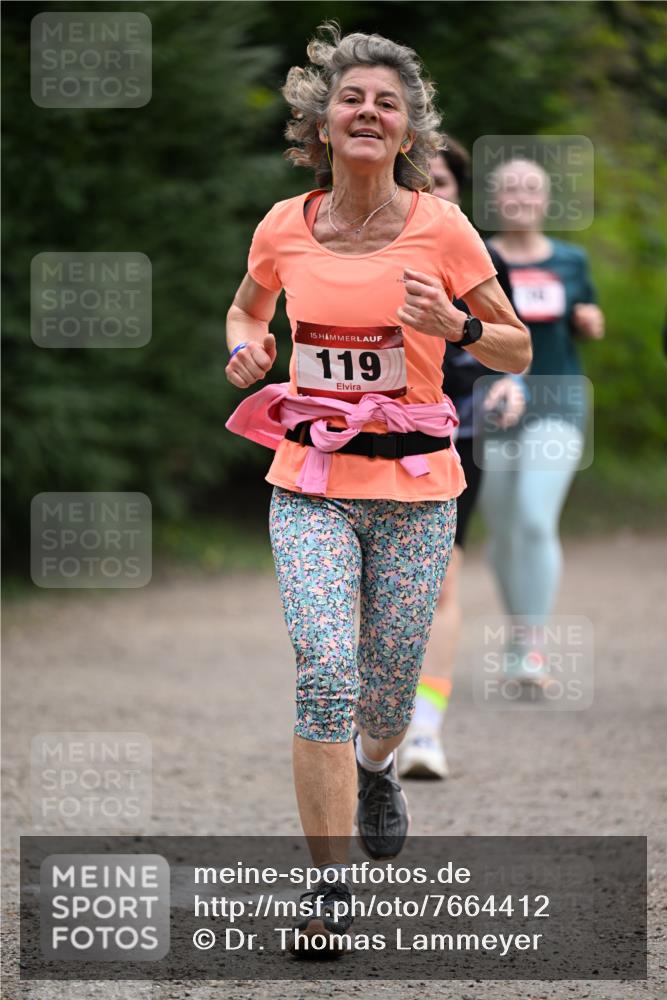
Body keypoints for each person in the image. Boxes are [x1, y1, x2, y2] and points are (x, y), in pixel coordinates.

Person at [225, 24, 530, 954]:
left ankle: (378, 766)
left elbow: (513, 341)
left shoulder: (442, 226)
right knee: (324, 671)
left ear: (407, 134)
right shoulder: (283, 223)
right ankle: (327, 893)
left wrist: (460, 329)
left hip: (415, 485)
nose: (367, 111)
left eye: (387, 103)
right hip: (310, 479)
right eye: (351, 98)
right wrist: (244, 345)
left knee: (386, 692)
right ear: (321, 122)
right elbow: (247, 303)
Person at [399, 141, 525, 780]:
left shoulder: (484, 259)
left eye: (442, 182)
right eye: (419, 183)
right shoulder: (366, 253)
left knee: (441, 580)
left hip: (456, 435)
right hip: (372, 437)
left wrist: (509, 385)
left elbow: (513, 346)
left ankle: (424, 730)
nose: (432, 194)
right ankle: (376, 722)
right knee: (378, 590)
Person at [479, 158, 604, 684]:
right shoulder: (478, 258)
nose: (521, 198)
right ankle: (518, 636)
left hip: (558, 401)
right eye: (510, 189)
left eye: (531, 189)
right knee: (503, 532)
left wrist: (589, 321)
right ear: (494, 198)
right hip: (490, 404)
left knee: (533, 518)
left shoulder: (571, 260)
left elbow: (591, 319)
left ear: (546, 199)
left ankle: (533, 646)